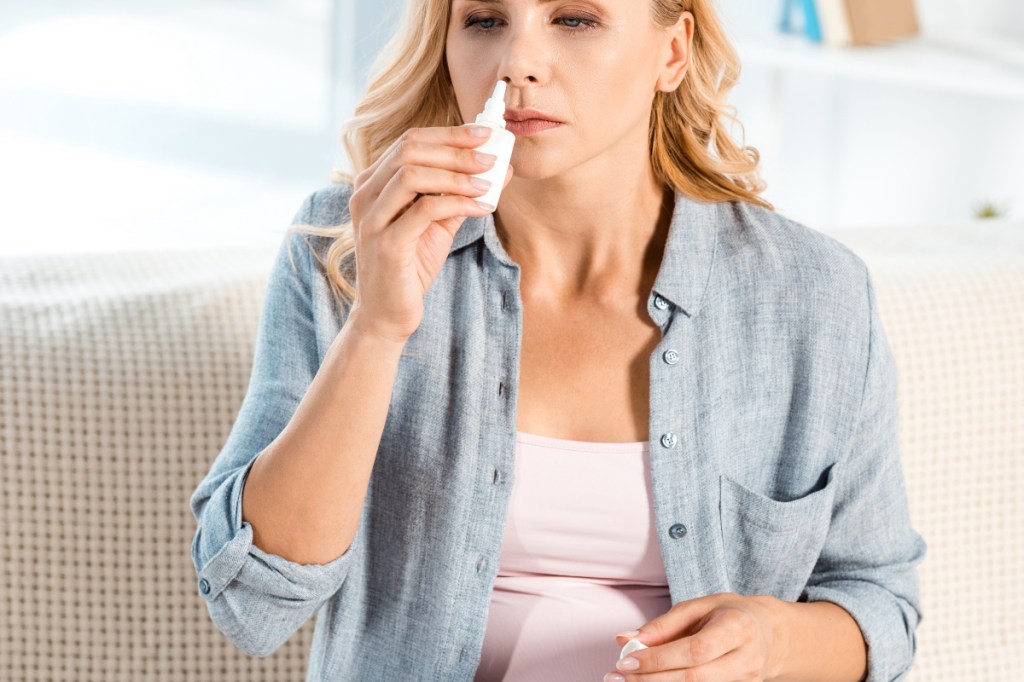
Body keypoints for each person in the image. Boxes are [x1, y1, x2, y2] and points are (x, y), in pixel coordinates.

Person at [189, 0, 926, 680]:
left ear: (673, 51)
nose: (517, 60)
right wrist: (378, 328)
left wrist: (773, 643)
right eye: (483, 19)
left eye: (574, 19)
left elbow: (879, 604)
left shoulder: (813, 295)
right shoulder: (348, 249)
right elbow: (253, 604)